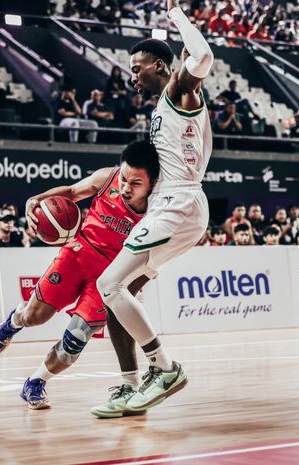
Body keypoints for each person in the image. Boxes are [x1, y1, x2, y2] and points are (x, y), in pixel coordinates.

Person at [93, 1, 215, 414]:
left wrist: (175, 14)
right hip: (171, 204)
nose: (132, 76)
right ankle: (131, 385)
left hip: (178, 204)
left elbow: (202, 56)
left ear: (161, 67)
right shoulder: (165, 103)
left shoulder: (179, 90)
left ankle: (164, 368)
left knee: (108, 285)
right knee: (117, 295)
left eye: (137, 67)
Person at [0, 141, 159, 413]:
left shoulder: (158, 211)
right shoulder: (107, 178)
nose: (126, 187)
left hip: (109, 278)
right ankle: (14, 321)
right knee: (36, 317)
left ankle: (35, 382)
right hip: (77, 254)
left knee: (74, 342)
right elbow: (71, 192)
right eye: (125, 178)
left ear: (153, 182)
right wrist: (37, 200)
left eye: (135, 183)